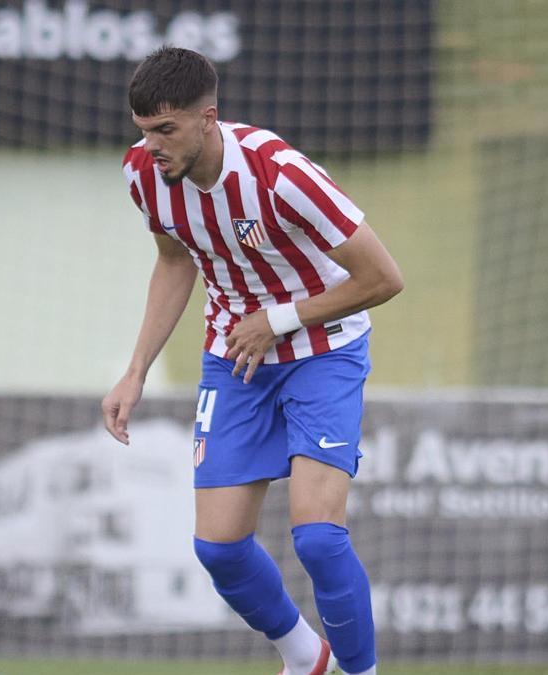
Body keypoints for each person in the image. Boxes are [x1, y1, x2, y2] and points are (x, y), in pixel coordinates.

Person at [102, 46, 402, 675]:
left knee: (318, 539)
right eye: (144, 133)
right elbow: (175, 259)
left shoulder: (280, 174)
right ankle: (304, 659)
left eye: (166, 130)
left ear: (208, 118)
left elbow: (383, 277)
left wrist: (280, 320)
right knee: (219, 549)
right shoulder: (144, 176)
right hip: (235, 358)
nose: (152, 147)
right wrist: (136, 370)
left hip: (324, 351)